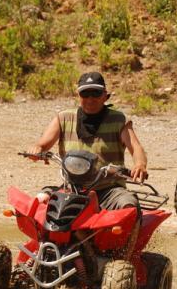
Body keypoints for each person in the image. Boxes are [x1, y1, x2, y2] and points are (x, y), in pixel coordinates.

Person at [30, 71, 148, 258]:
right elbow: (44, 143)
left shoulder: (118, 120)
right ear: (78, 96)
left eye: (95, 93)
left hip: (108, 189)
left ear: (105, 96)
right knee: (40, 204)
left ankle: (124, 257)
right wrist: (37, 149)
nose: (90, 98)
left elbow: (136, 147)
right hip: (72, 188)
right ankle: (41, 252)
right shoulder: (64, 118)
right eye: (85, 93)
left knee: (129, 206)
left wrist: (140, 165)